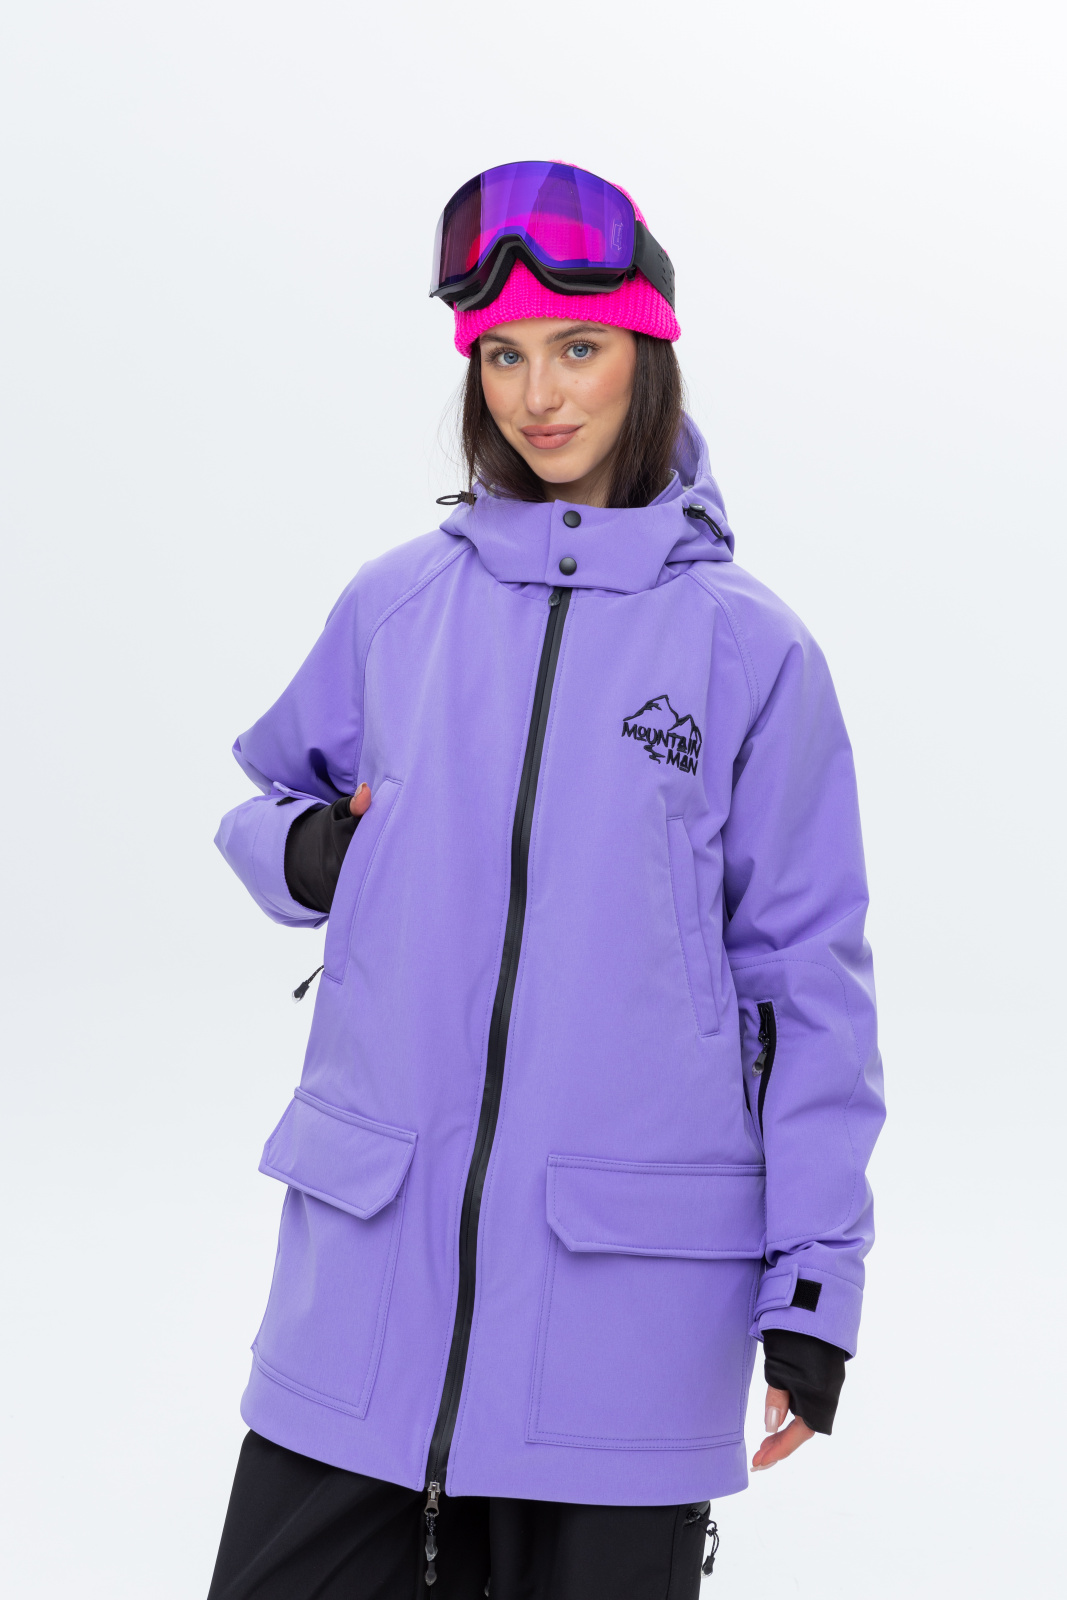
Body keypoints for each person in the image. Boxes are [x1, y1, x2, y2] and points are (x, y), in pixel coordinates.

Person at [208, 161, 885, 1599]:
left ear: (649, 356)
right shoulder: (398, 605)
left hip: (620, 1330)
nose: (540, 394)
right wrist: (318, 850)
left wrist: (814, 1288)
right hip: (362, 1306)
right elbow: (262, 805)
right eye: (503, 356)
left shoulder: (750, 652)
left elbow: (808, 989)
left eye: (578, 347)